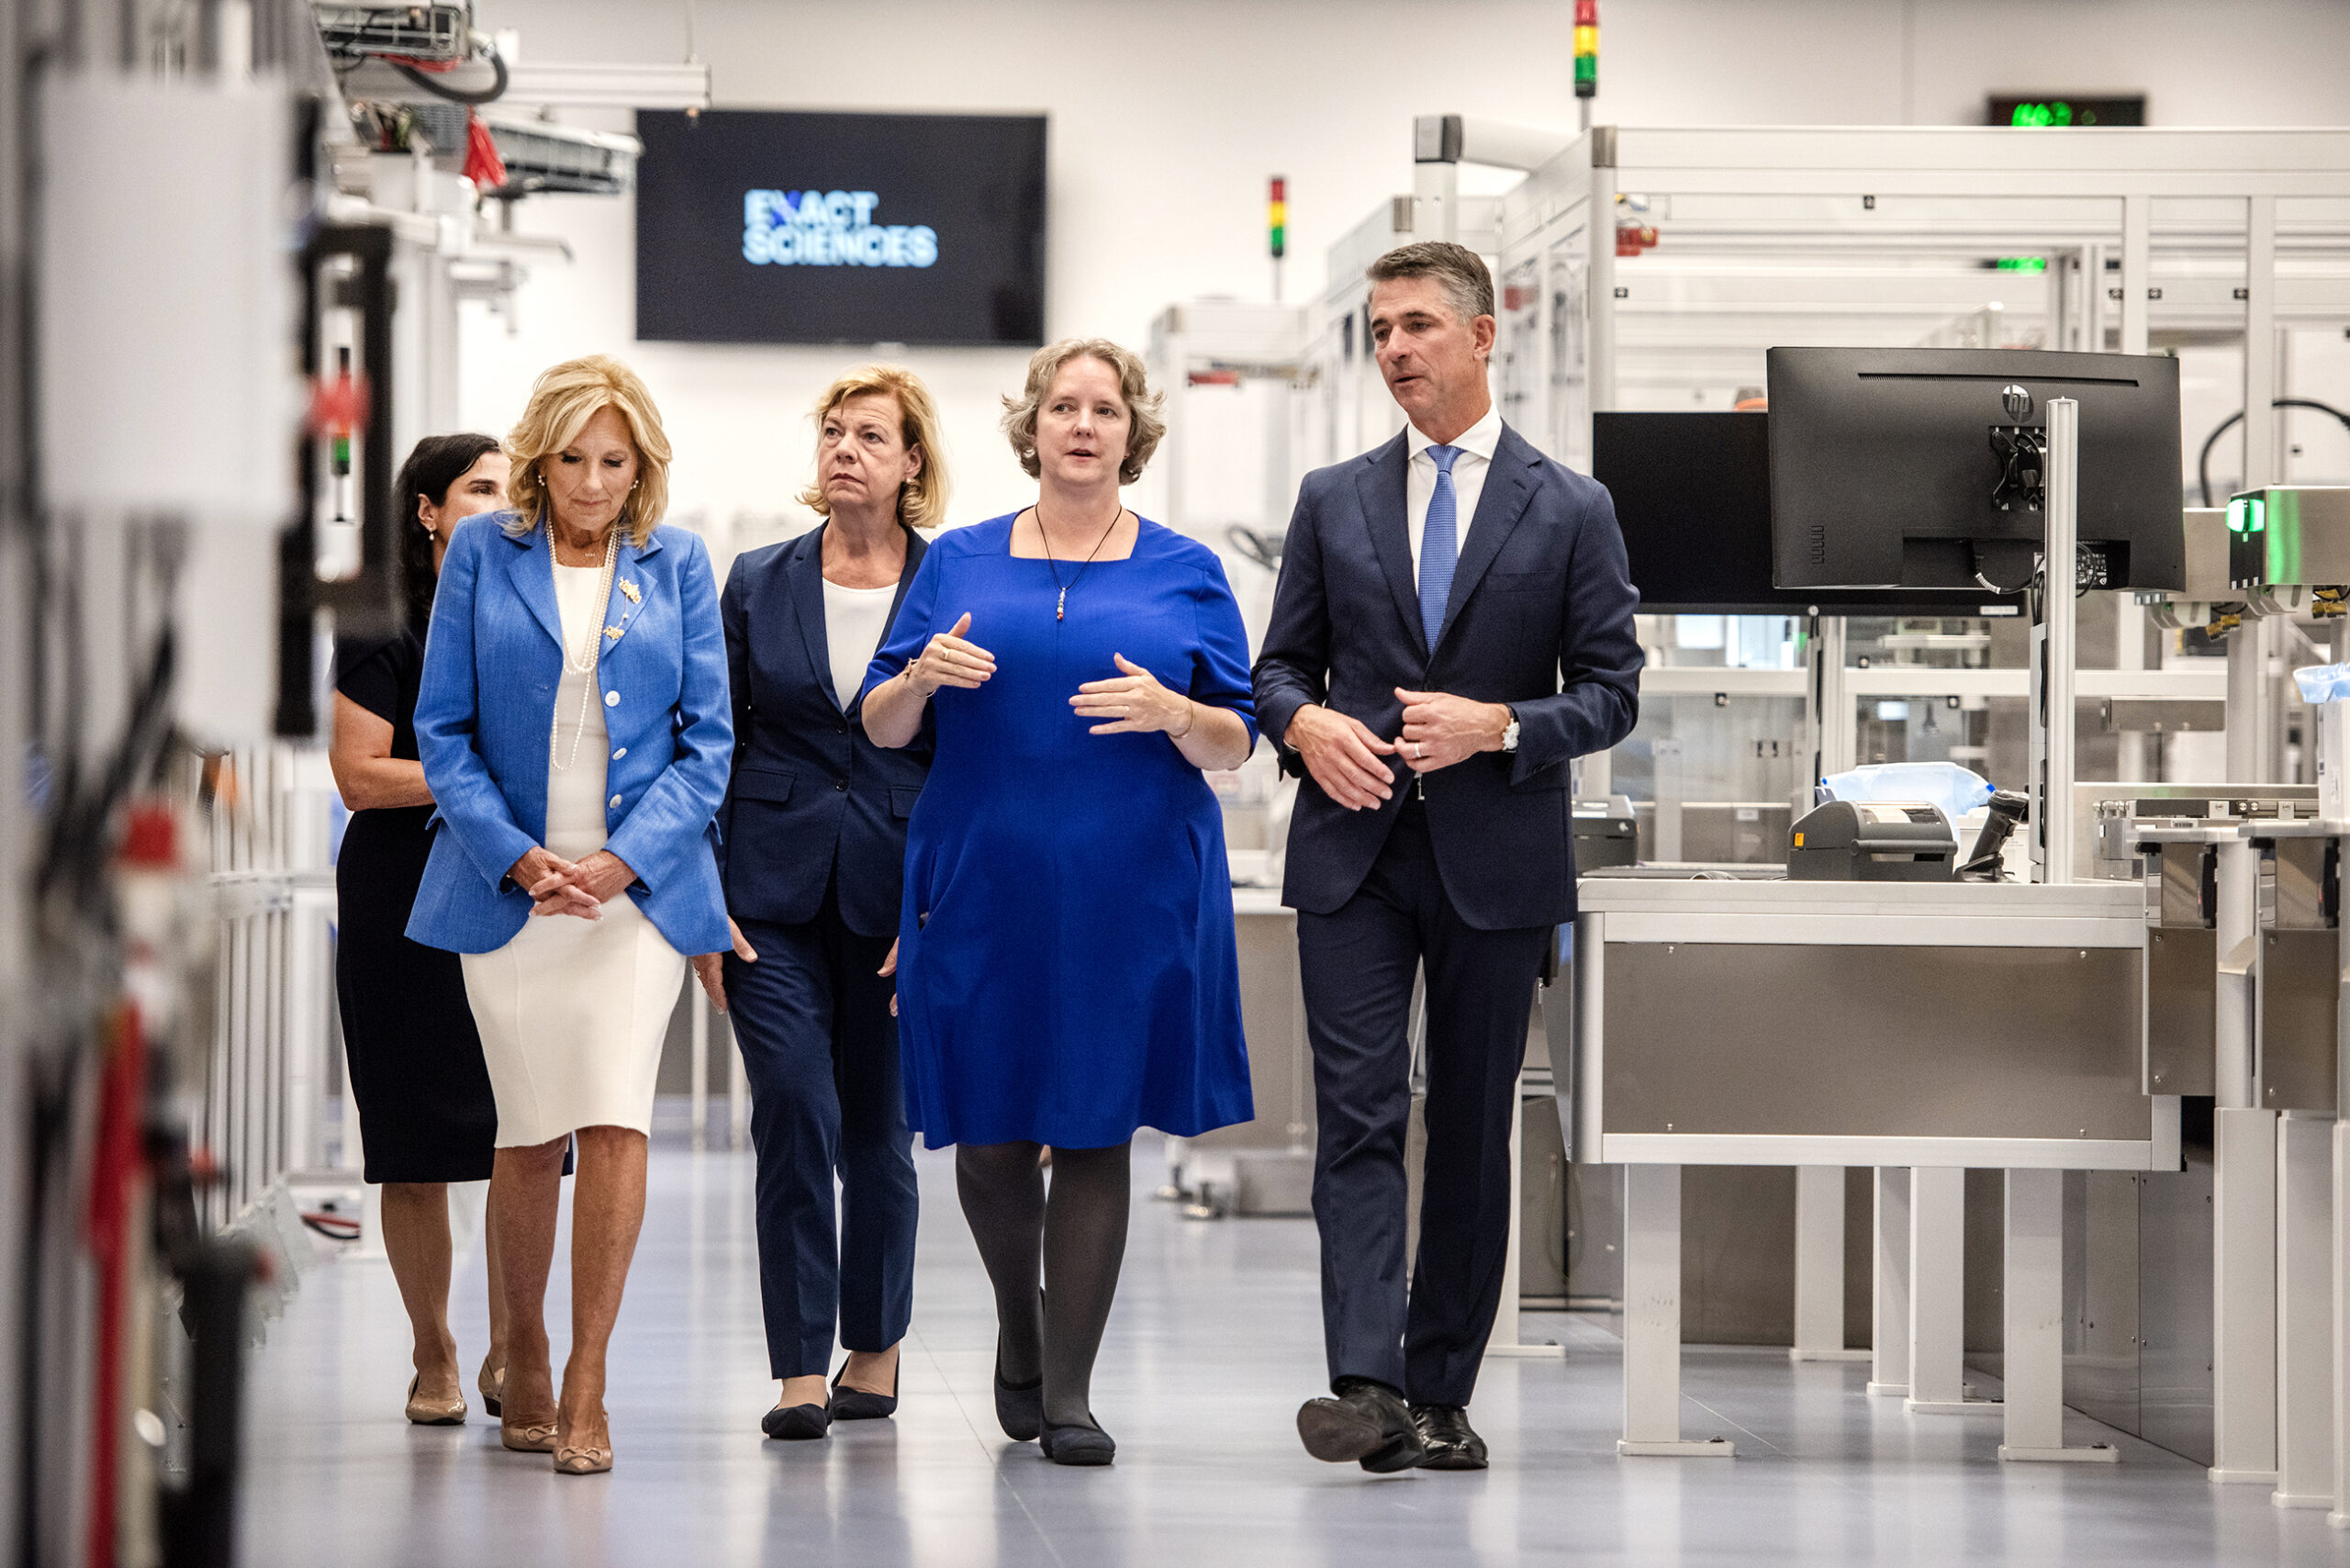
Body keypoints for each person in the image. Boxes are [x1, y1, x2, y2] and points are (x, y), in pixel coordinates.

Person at [1254, 241, 1641, 1473]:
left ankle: (1439, 1394)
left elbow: (1616, 692)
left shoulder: (1570, 507)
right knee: (1360, 1117)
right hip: (1352, 857)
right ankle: (1366, 1383)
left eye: (1418, 325)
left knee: (1472, 1128)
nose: (1397, 350)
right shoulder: (1332, 497)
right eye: (1381, 331)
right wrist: (1305, 726)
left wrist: (1506, 726)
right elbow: (1278, 670)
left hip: (1498, 857)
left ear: (1485, 337)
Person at [861, 338, 1257, 1466]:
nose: (1082, 425)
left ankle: (1070, 1392)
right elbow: (884, 722)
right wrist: (919, 678)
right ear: (1029, 426)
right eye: (1062, 406)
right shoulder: (957, 564)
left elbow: (1237, 737)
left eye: (1105, 409)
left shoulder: (1184, 569)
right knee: (988, 1140)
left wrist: (1176, 714)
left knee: (1091, 1130)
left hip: (1130, 886)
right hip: (980, 879)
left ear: (1133, 432)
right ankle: (1019, 1319)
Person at [409, 354, 739, 1476]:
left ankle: (589, 1376)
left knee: (613, 1117)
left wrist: (623, 864)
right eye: (572, 460)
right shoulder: (479, 562)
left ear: (640, 465)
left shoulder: (680, 562)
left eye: (615, 461)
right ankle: (527, 1349)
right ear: (537, 459)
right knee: (526, 1130)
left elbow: (711, 747)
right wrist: (514, 857)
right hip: (507, 889)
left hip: (632, 900)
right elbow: (441, 733)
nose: (593, 484)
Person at [708, 365, 946, 1441]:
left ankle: (876, 1345)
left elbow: (963, 761)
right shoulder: (758, 579)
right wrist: (701, 900)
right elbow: (712, 743)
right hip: (766, 893)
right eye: (833, 433)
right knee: (795, 1110)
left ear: (910, 464)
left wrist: (936, 907)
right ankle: (800, 1362)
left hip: (900, 896)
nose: (844, 449)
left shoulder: (953, 582)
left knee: (879, 1134)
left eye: (870, 435)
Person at [329, 433, 513, 1427]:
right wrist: (483, 787)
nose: (503, 500)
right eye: (481, 486)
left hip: (511, 886)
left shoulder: (528, 614)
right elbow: (359, 774)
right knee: (413, 1138)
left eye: (510, 486)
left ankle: (507, 1347)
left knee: (522, 1133)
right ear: (428, 510)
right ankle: (432, 1349)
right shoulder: (385, 622)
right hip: (402, 893)